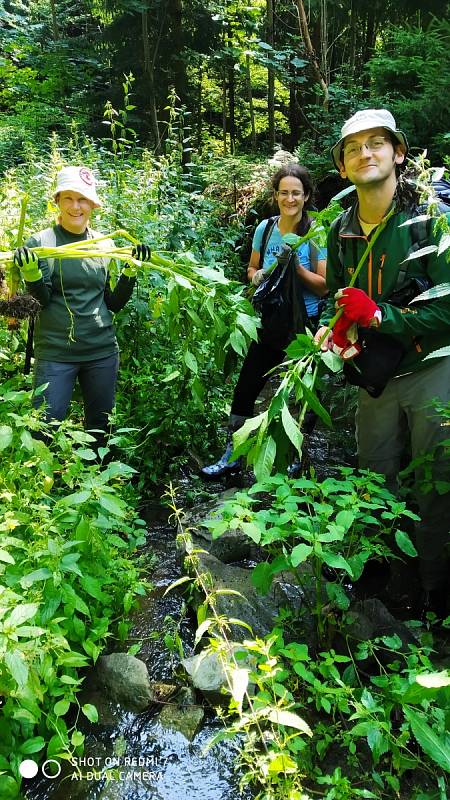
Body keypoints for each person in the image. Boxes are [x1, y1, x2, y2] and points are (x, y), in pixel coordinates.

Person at [315, 108, 450, 618]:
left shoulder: (431, 220)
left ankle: (433, 588)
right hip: (375, 376)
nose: (364, 154)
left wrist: (378, 316)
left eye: (375, 144)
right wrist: (339, 327)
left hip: (433, 367)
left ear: (397, 152)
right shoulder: (341, 230)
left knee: (437, 478)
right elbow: (339, 299)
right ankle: (380, 573)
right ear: (344, 166)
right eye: (353, 148)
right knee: (373, 473)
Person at [201, 163, 327, 479]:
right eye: (283, 192)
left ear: (306, 195)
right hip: (270, 319)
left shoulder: (315, 232)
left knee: (302, 392)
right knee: (246, 387)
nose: (289, 199)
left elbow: (324, 284)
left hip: (306, 322)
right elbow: (251, 268)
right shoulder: (265, 229)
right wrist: (256, 276)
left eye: (296, 193)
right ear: (275, 195)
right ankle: (233, 453)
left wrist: (295, 267)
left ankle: (297, 456)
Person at [13, 165, 151, 448]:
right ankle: (45, 487)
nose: (76, 206)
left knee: (101, 430)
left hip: (101, 351)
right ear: (58, 202)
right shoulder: (41, 244)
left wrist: (130, 272)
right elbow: (42, 303)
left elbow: (112, 303)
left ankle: (98, 483)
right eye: (68, 198)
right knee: (44, 429)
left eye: (83, 199)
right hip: (55, 353)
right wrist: (32, 275)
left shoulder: (105, 245)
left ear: (93, 204)